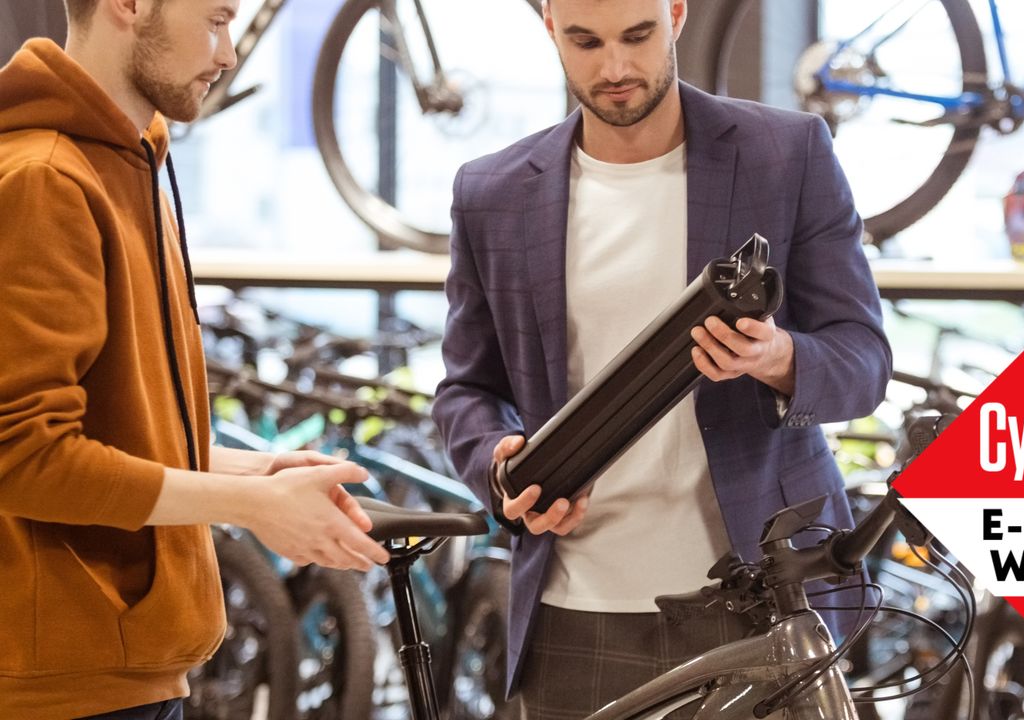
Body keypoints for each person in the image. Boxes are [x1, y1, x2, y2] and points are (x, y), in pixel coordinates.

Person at [432, 0, 893, 716]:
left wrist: (776, 357)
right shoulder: (491, 193)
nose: (614, 68)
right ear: (550, 28)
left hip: (758, 599)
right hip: (573, 607)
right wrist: (497, 460)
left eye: (637, 36)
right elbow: (466, 388)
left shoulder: (787, 152)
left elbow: (863, 360)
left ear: (675, 13)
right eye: (585, 41)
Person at [0, 1, 391, 717]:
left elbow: (117, 436)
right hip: (65, 688)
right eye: (216, 20)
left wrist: (256, 471)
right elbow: (21, 454)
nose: (229, 54)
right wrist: (251, 504)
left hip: (128, 672)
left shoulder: (126, 163)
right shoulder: (44, 179)